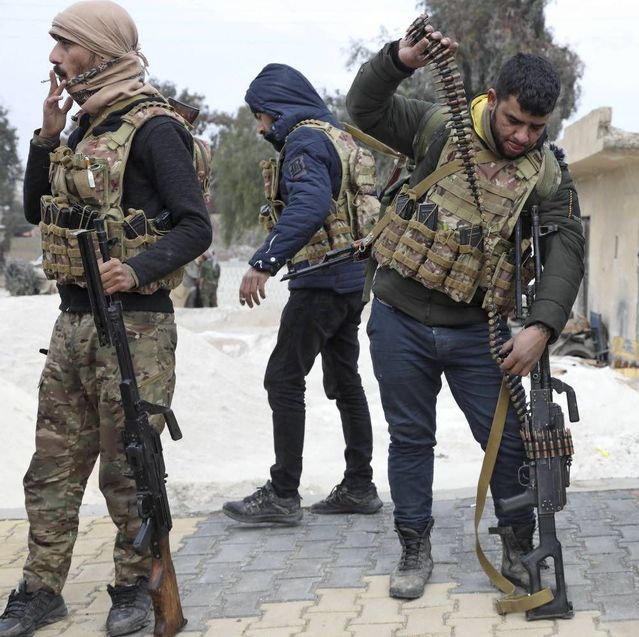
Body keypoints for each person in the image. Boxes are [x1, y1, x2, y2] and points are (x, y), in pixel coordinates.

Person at [346, 27, 584, 600]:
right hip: (400, 317)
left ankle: (517, 543)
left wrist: (541, 327)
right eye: (513, 121)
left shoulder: (547, 172)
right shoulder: (437, 126)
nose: (523, 137)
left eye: (536, 127)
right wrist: (399, 60)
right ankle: (413, 544)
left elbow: (567, 245)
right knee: (409, 438)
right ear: (495, 98)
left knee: (508, 442)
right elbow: (364, 108)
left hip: (482, 329)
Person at [0, 2, 212, 636]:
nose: (54, 57)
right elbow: (40, 212)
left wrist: (139, 268)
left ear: (98, 49)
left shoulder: (153, 127)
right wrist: (43, 136)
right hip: (71, 324)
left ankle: (132, 586)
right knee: (54, 465)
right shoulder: (78, 126)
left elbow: (195, 226)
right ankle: (41, 588)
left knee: (129, 466)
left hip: (136, 327)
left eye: (65, 44)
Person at [221, 64, 382, 526]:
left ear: (277, 108)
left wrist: (264, 260)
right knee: (345, 380)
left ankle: (283, 493)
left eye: (260, 116)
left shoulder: (304, 142)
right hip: (351, 281)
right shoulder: (337, 137)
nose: (259, 127)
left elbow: (310, 204)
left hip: (320, 282)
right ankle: (359, 485)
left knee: (283, 379)